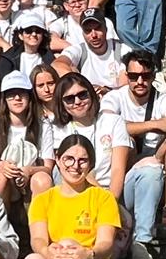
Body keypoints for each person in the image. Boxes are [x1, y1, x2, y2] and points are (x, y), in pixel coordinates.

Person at [106, 50, 166, 259]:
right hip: (124, 167)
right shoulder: (114, 98)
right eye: (133, 76)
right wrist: (157, 125)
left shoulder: (163, 101)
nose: (139, 81)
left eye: (145, 76)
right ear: (126, 76)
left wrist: (140, 128)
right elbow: (108, 127)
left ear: (154, 77)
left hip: (154, 162)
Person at [42, 72, 131, 204]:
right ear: (62, 104)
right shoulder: (57, 129)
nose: (77, 102)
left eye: (82, 95)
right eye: (70, 99)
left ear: (91, 93)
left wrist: (112, 203)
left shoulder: (113, 121)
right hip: (75, 189)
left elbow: (118, 169)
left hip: (109, 190)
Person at [0, 70, 48, 209]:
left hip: (30, 184)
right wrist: (0, 166)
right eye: (11, 94)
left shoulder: (43, 126)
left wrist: (29, 171)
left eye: (21, 93)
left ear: (29, 96)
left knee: (42, 179)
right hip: (5, 185)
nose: (17, 98)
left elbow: (48, 168)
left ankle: (38, 227)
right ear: (4, 99)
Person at [63, 10, 130, 91]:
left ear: (106, 28)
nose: (94, 35)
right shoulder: (79, 50)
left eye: (97, 28)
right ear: (83, 33)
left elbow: (126, 85)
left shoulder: (122, 49)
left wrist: (107, 91)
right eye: (88, 30)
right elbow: (57, 65)